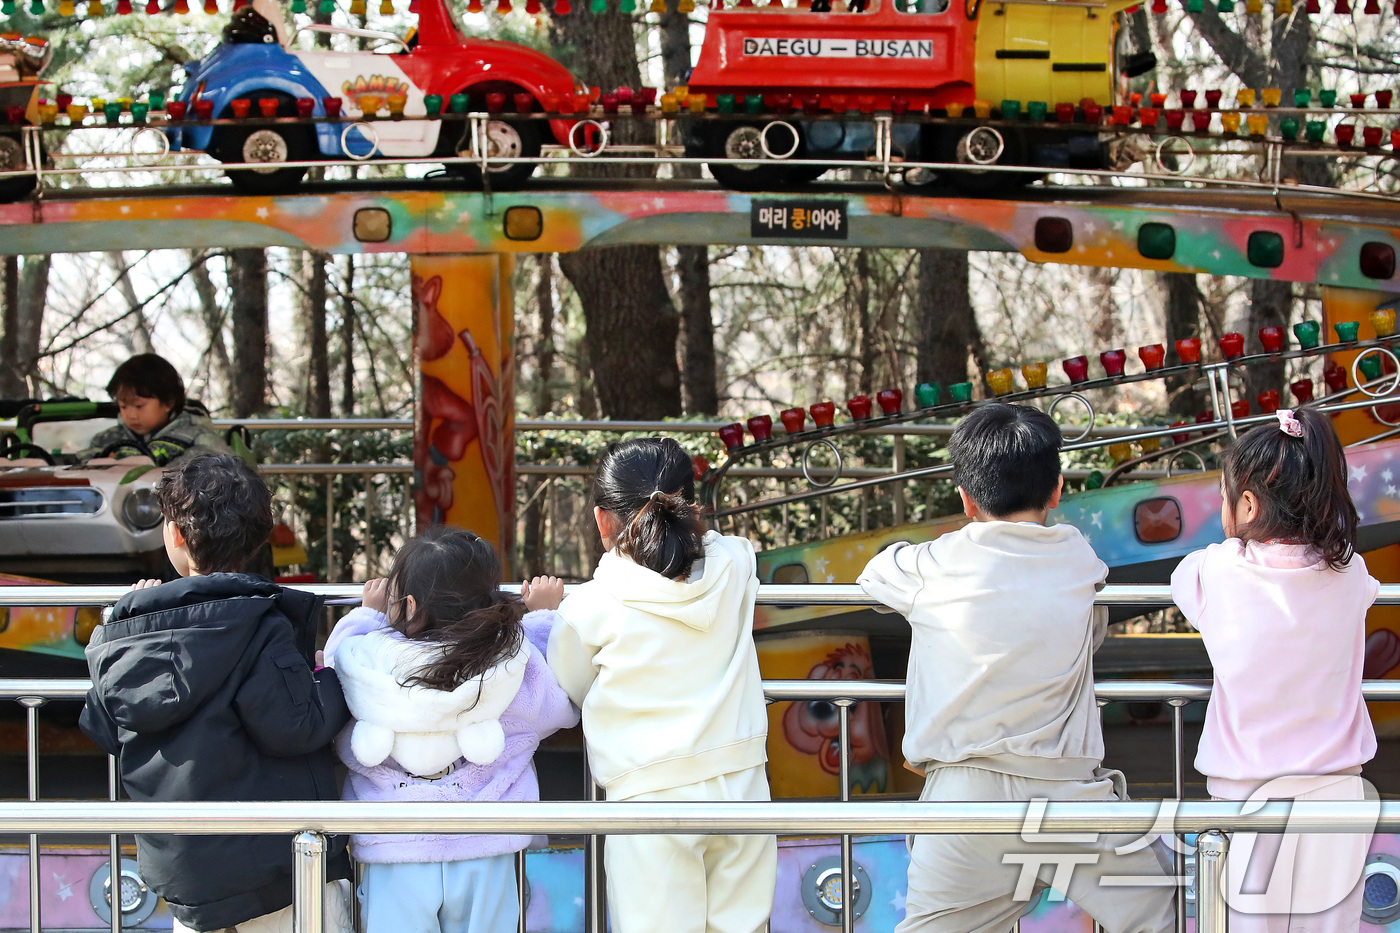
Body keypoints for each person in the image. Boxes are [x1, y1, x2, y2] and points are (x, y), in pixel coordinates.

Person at [858, 402, 1175, 933]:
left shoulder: (933, 564)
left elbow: (875, 573)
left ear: (965, 497)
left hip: (965, 799)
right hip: (1068, 795)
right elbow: (1090, 631)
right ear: (1056, 491)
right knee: (1166, 918)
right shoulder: (1079, 559)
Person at [78, 453, 353, 933]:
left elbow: (102, 726)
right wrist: (334, 678)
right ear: (258, 536)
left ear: (174, 534)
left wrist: (130, 619)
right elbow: (294, 726)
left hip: (189, 875)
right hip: (276, 866)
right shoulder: (259, 623)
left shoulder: (130, 629)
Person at [547, 437, 776, 933]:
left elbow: (570, 685)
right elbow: (720, 544)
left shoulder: (590, 607)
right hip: (743, 783)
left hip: (648, 797)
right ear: (692, 508)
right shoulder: (735, 564)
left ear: (602, 520)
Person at [1171, 407, 1378, 933]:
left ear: (1247, 504)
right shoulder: (1351, 572)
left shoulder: (1217, 571)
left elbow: (1182, 578)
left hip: (1246, 797)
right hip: (1338, 794)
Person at [321, 527, 579, 933]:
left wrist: (365, 615)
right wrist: (544, 618)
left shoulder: (364, 660)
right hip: (487, 841)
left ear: (408, 605)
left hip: (394, 845)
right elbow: (554, 702)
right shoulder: (511, 658)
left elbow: (333, 676)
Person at [82, 353, 230, 464]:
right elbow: (81, 460)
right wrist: (99, 460)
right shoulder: (109, 439)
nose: (131, 415)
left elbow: (221, 462)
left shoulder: (195, 436)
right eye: (123, 406)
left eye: (139, 406)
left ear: (168, 402)